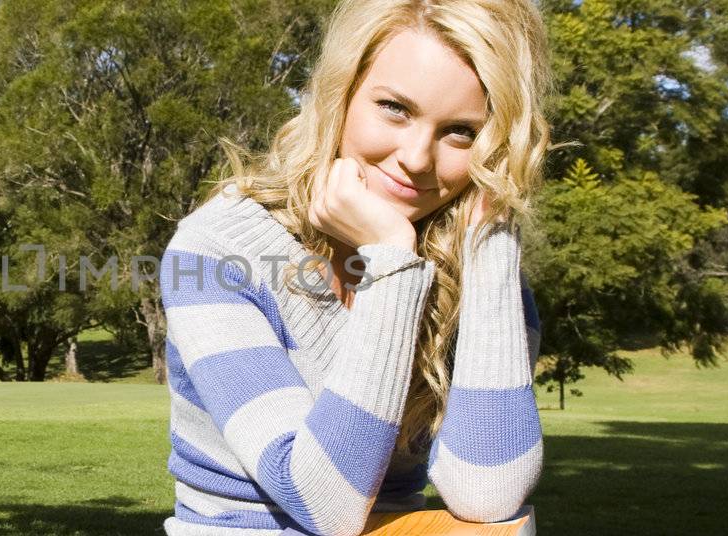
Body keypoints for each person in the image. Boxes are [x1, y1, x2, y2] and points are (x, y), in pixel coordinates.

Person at [158, 0, 549, 534]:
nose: (416, 157)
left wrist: (493, 234)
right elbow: (324, 503)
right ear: (340, 94)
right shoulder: (217, 252)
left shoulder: (480, 271)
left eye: (460, 131)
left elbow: (489, 492)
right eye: (394, 108)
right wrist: (391, 262)